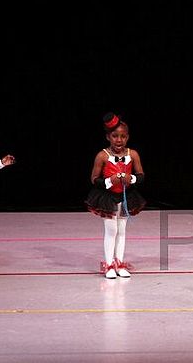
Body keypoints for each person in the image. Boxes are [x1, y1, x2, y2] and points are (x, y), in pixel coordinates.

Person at [85, 112, 146, 279]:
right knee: (111, 231)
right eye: (115, 136)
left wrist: (131, 178)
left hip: (126, 197)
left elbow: (141, 175)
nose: (119, 140)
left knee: (122, 230)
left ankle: (119, 263)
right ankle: (109, 264)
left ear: (128, 137)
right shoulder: (103, 155)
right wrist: (110, 180)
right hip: (107, 198)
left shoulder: (132, 154)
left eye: (123, 136)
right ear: (108, 137)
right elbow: (94, 179)